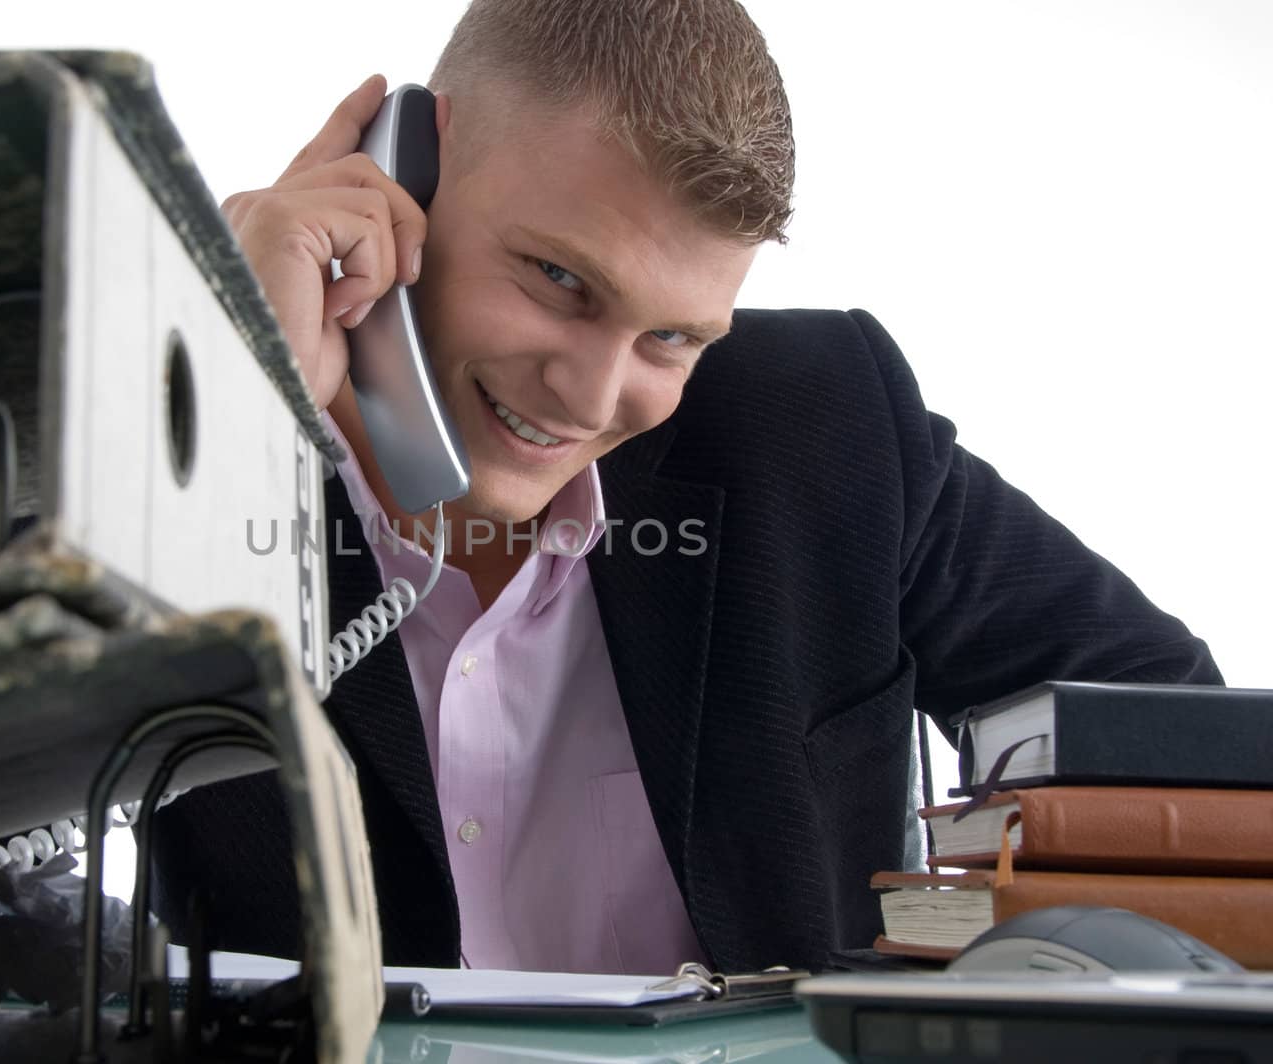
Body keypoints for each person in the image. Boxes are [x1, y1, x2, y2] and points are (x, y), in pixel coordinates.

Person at [151, 0, 1219, 974]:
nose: (590, 393)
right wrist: (226, 403)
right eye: (559, 279)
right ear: (403, 176)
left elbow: (1166, 723)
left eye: (670, 336)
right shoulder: (172, 454)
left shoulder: (827, 428)